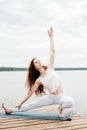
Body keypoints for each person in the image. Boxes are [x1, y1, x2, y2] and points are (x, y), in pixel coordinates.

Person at [2, 27, 74, 117]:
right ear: (35, 67)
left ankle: (60, 109)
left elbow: (53, 52)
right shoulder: (39, 80)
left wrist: (51, 38)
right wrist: (20, 103)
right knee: (32, 105)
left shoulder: (50, 68)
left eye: (38, 60)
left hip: (61, 96)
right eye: (36, 62)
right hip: (51, 98)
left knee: (70, 102)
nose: (38, 62)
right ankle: (10, 110)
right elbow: (30, 93)